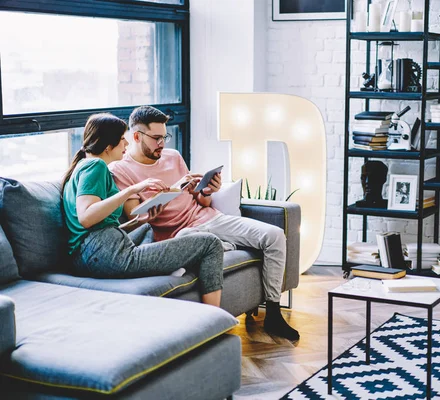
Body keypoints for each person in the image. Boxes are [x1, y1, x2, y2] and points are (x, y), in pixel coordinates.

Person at [109, 106, 299, 341]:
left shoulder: (173, 156)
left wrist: (207, 190)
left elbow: (198, 198)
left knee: (275, 235)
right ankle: (223, 245)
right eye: (157, 138)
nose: (162, 144)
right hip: (179, 235)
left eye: (164, 137)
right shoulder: (121, 169)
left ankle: (272, 312)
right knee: (204, 245)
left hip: (208, 218)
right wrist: (156, 206)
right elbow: (135, 218)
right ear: (136, 136)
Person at [61, 113, 224, 307]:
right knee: (210, 244)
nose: (127, 145)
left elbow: (99, 225)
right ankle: (213, 317)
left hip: (97, 251)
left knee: (147, 227)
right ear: (108, 145)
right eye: (122, 139)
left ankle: (167, 264)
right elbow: (86, 217)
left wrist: (140, 220)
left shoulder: (83, 166)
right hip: (100, 253)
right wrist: (132, 189)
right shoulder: (95, 166)